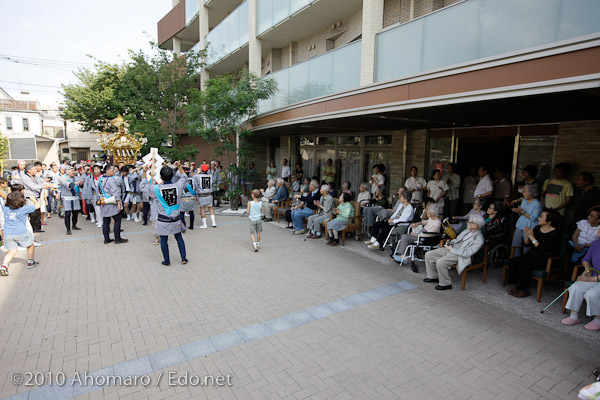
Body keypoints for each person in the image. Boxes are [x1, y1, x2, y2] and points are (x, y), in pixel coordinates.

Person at [141, 161, 188, 266]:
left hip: (163, 219)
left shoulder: (156, 189)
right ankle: (183, 258)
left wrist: (144, 172)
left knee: (164, 240)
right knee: (179, 238)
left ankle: (167, 260)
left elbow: (143, 186)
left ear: (160, 177)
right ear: (172, 176)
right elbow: (184, 178)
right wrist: (179, 166)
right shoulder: (177, 187)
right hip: (176, 218)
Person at [506, 209, 561, 298]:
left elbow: (543, 250)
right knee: (513, 261)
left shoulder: (555, 234)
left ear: (549, 221)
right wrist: (527, 235)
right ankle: (516, 285)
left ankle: (523, 289)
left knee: (524, 266)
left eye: (542, 217)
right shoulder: (537, 228)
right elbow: (527, 244)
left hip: (545, 259)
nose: (539, 218)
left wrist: (532, 237)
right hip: (533, 254)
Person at [424, 214, 486, 290]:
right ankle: (433, 276)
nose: (466, 223)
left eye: (468, 222)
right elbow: (457, 240)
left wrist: (451, 249)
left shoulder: (479, 239)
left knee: (441, 262)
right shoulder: (467, 230)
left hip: (460, 254)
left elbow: (467, 253)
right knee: (429, 254)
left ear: (475, 225)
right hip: (452, 247)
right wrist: (450, 242)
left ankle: (446, 283)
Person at [561, 228, 600, 331]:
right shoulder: (595, 243)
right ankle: (573, 316)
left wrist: (591, 279)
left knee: (591, 294)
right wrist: (587, 269)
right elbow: (586, 259)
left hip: (596, 279)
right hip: (593, 276)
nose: (599, 230)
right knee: (575, 287)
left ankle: (598, 319)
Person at [0, 192, 41, 275]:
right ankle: (30, 261)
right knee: (30, 245)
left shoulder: (5, 207)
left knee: (11, 251)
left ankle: (4, 266)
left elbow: (6, 202)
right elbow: (38, 205)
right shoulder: (24, 208)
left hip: (8, 233)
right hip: (21, 232)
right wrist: (33, 199)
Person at [98, 165, 128, 245]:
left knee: (106, 220)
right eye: (112, 169)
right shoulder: (110, 179)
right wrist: (119, 203)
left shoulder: (100, 178)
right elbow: (115, 192)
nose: (114, 171)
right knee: (117, 218)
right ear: (107, 170)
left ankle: (106, 238)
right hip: (111, 201)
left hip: (103, 201)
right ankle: (117, 238)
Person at [20, 163, 54, 233]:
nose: (36, 170)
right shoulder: (24, 177)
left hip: (37, 196)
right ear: (29, 170)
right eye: (34, 169)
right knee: (33, 213)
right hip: (30, 197)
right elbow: (33, 186)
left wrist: (48, 185)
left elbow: (42, 182)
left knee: (38, 213)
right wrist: (44, 186)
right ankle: (32, 229)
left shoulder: (36, 175)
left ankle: (37, 228)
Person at [511, 184, 542, 257]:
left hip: (530, 227)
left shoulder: (537, 204)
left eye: (525, 192)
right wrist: (518, 211)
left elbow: (533, 218)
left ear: (532, 193)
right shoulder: (524, 201)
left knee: (526, 247)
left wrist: (523, 212)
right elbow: (521, 213)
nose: (523, 193)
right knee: (515, 245)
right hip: (520, 224)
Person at [59, 166, 85, 235]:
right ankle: (68, 229)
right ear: (67, 172)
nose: (73, 172)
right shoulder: (63, 178)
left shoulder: (76, 178)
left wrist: (81, 183)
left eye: (74, 171)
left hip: (75, 197)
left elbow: (80, 186)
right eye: (71, 171)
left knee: (75, 213)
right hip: (67, 197)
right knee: (67, 214)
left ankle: (74, 225)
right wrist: (78, 183)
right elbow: (69, 185)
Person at [193, 163, 217, 228]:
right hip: (209, 195)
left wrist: (198, 172)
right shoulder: (210, 176)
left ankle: (204, 224)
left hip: (202, 195)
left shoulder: (197, 176)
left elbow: (193, 178)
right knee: (211, 208)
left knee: (202, 209)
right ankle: (214, 223)